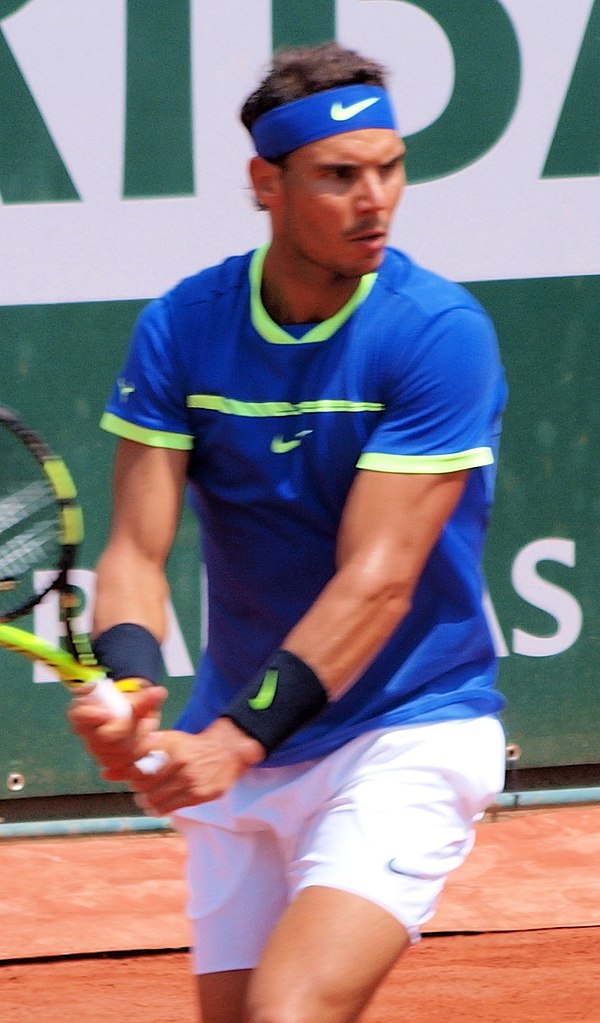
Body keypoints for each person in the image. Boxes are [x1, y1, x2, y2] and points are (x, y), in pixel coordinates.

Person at [69, 41, 508, 1023]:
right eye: (339, 176)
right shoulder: (183, 326)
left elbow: (380, 580)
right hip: (245, 737)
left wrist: (233, 738)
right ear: (266, 183)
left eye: (389, 168)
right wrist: (133, 690)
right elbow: (136, 552)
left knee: (292, 1010)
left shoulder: (439, 332)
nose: (375, 200)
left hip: (404, 734)